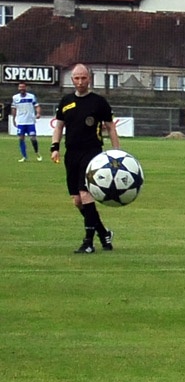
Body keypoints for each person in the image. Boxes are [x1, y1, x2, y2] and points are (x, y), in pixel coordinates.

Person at [50, 64, 119, 254]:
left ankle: (88, 242)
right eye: (76, 78)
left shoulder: (99, 102)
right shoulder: (66, 101)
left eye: (83, 78)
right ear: (72, 80)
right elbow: (59, 127)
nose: (80, 82)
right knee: (77, 201)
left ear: (89, 79)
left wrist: (117, 153)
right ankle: (104, 233)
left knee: (85, 194)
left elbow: (111, 127)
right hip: (72, 154)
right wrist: (55, 147)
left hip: (92, 153)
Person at [11, 82, 42, 162]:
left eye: (23, 87)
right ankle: (24, 156)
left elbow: (37, 106)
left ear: (25, 88)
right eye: (20, 87)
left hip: (30, 121)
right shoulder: (15, 98)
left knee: (33, 138)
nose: (22, 88)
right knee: (21, 138)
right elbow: (14, 109)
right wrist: (13, 119)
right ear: (18, 88)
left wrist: (38, 113)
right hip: (21, 122)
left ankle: (37, 153)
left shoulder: (31, 96)